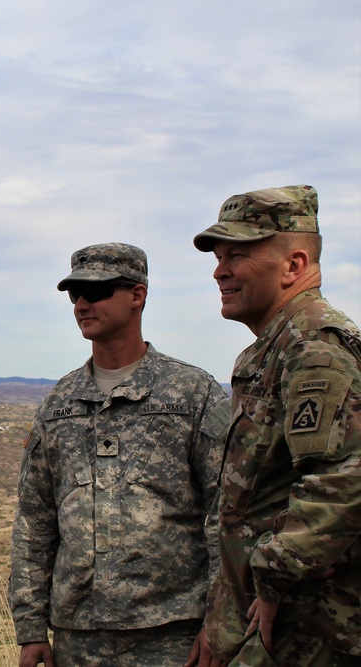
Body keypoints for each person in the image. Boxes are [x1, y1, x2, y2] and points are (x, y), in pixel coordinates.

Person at [8, 243, 231, 667]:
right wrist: (31, 628)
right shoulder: (59, 402)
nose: (83, 304)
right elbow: (35, 520)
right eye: (75, 294)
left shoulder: (190, 393)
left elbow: (227, 513)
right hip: (78, 637)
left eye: (99, 290)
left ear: (137, 295)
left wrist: (220, 619)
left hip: (174, 634)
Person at [194, 184, 361, 666]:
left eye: (238, 255)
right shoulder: (274, 346)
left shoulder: (314, 346)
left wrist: (273, 576)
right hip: (268, 617)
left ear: (294, 265)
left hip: (305, 624)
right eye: (219, 256)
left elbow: (344, 479)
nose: (219, 270)